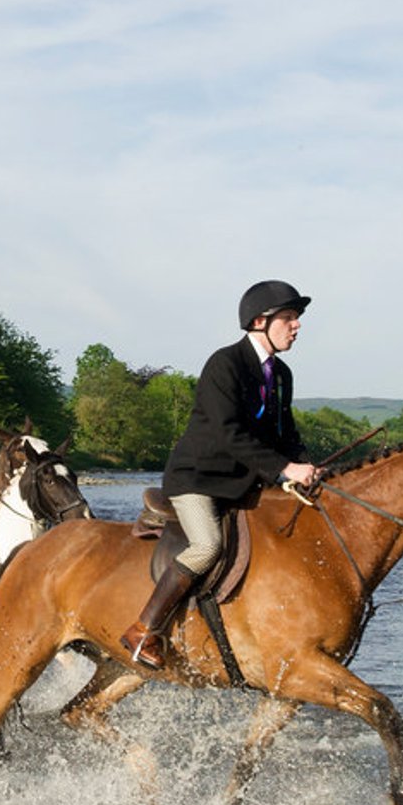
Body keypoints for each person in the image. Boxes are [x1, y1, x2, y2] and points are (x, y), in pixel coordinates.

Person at [123, 280, 322, 668]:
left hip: (244, 482)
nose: (297, 326)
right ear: (260, 321)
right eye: (289, 318)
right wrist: (284, 468)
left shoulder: (281, 375)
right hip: (198, 479)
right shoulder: (225, 363)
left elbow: (287, 434)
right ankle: (144, 630)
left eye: (297, 319)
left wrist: (307, 466)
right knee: (207, 546)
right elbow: (230, 434)